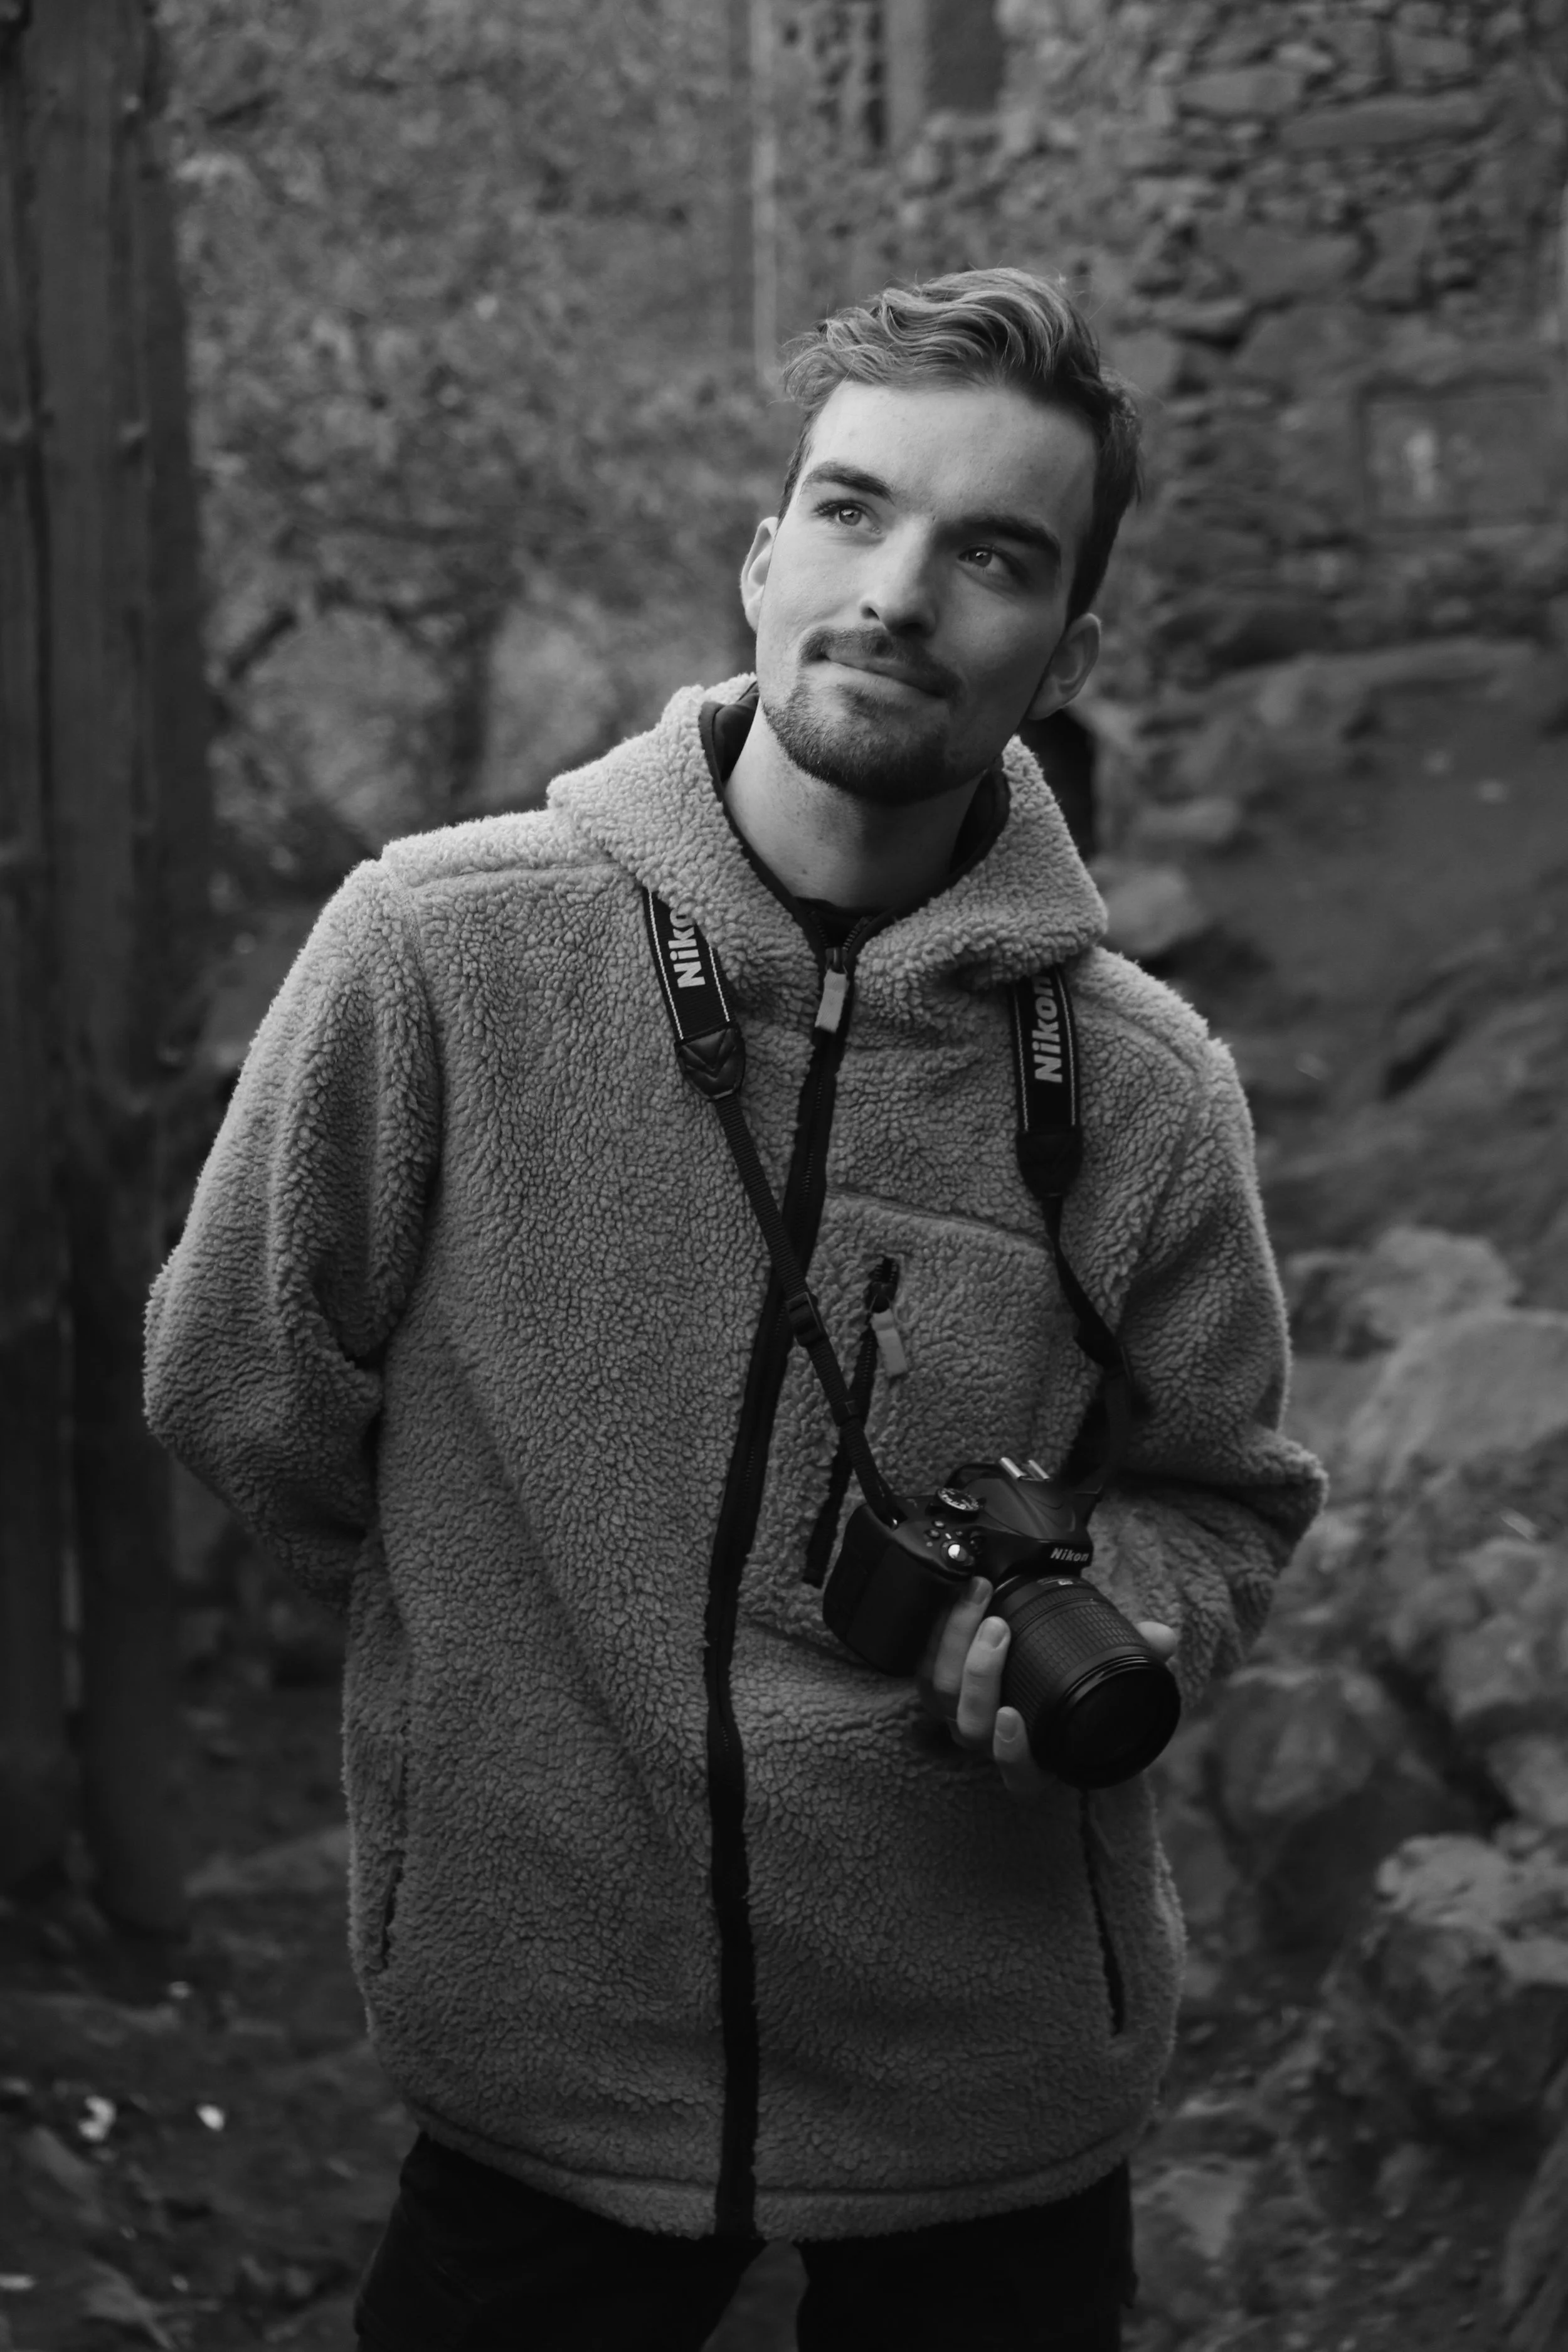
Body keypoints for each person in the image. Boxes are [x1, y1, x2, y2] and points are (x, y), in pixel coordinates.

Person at [144, 267, 1324, 2351]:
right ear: (761, 550)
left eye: (991, 554)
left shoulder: (1140, 1089)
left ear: (1068, 638)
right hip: (537, 2057)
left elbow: (1222, 1496)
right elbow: (243, 1384)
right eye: (852, 511)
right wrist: (493, 1673)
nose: (897, 591)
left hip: (996, 2089)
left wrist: (1122, 1604)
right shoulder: (432, 955)